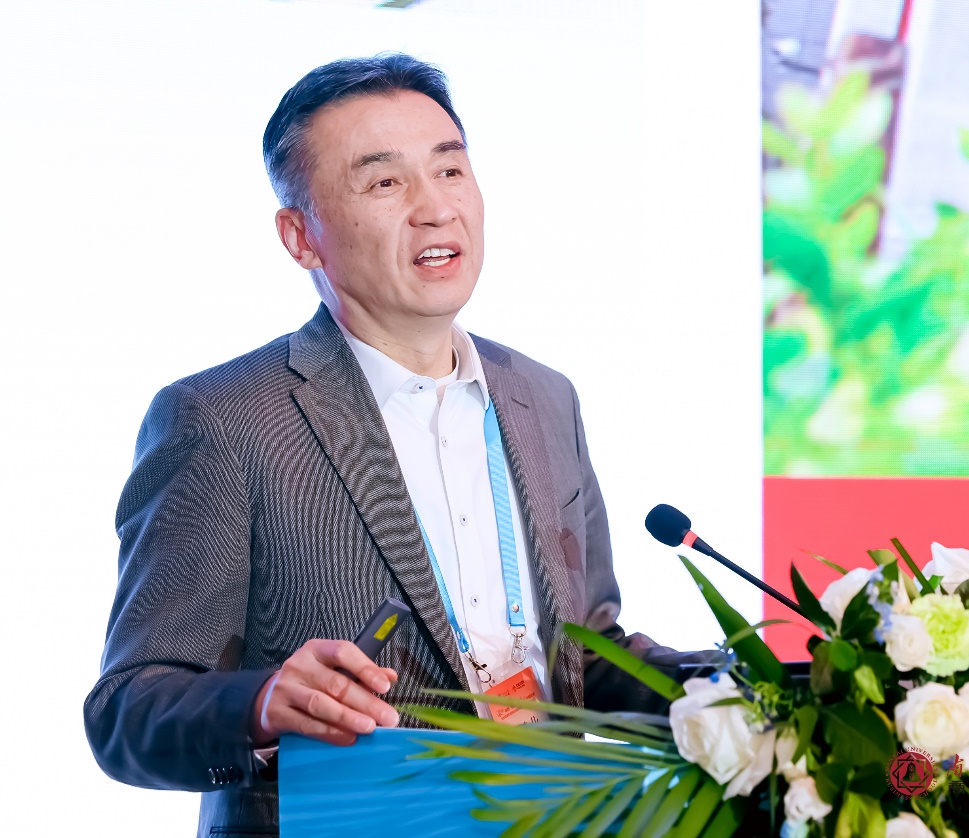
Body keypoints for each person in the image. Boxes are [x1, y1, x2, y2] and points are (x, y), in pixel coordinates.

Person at [84, 54, 698, 837]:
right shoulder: (222, 419)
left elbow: (586, 653)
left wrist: (755, 688)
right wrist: (263, 704)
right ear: (300, 236)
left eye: (450, 170)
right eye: (383, 182)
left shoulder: (544, 398)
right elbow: (128, 710)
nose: (435, 208)